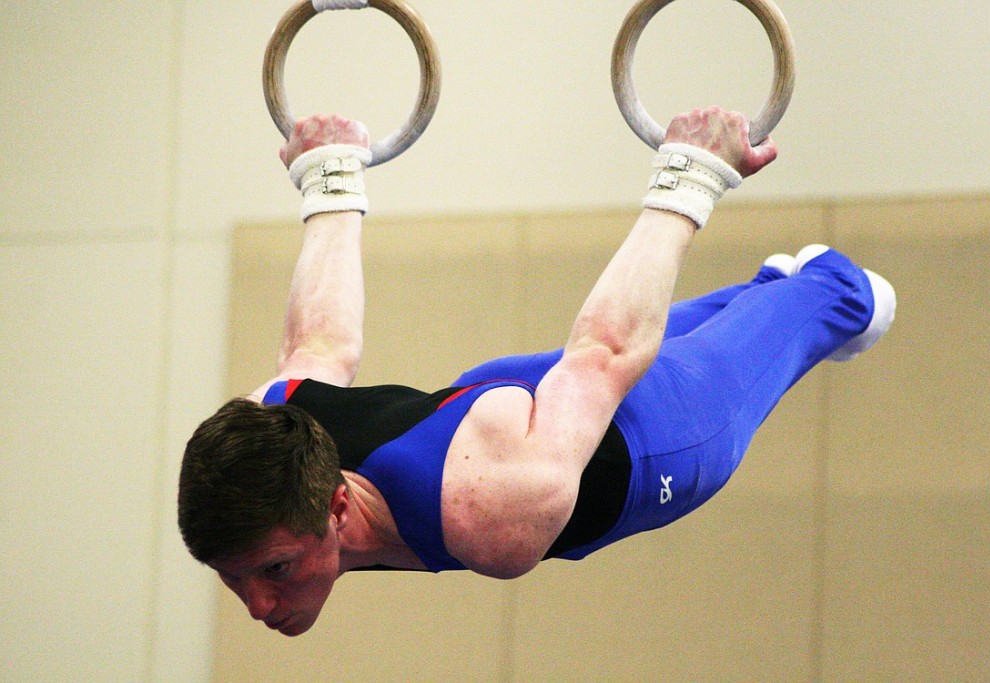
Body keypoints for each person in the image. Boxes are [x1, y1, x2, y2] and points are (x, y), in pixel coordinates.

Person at [178, 108, 895, 637]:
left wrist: (691, 174)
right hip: (521, 407)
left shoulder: (488, 515)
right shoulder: (276, 422)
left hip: (654, 438)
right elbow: (315, 349)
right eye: (232, 577)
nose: (258, 605)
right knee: (743, 308)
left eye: (274, 569)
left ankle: (833, 292)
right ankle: (764, 293)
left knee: (826, 301)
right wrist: (328, 177)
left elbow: (606, 355)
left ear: (336, 507)